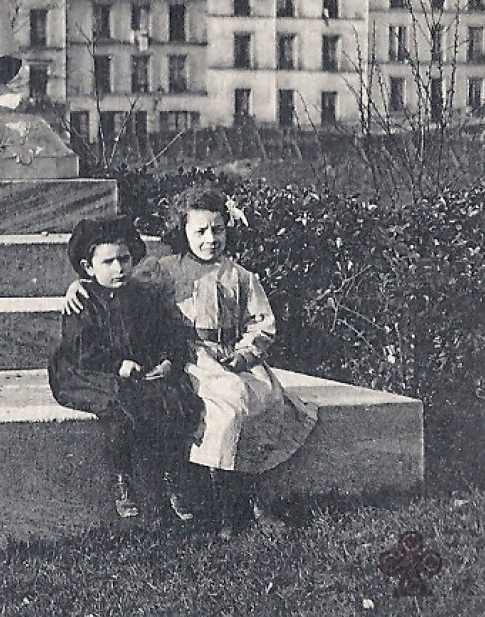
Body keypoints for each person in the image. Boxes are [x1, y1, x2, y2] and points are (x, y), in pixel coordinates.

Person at [64, 187, 318, 533]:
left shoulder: (241, 276)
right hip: (191, 356)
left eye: (218, 229)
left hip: (234, 357)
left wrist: (245, 352)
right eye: (200, 231)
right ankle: (221, 505)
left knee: (267, 401)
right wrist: (79, 285)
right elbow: (116, 284)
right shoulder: (165, 270)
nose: (210, 239)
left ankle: (257, 499)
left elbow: (262, 323)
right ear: (182, 231)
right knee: (227, 410)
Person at [48, 216, 203, 521]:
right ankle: (123, 477)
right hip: (91, 371)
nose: (118, 268)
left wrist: (168, 360)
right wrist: (116, 365)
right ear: (89, 267)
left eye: (124, 259)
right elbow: (81, 349)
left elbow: (168, 332)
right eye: (108, 262)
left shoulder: (142, 295)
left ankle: (173, 476)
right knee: (117, 407)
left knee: (174, 400)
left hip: (137, 366)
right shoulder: (84, 301)